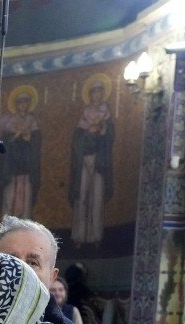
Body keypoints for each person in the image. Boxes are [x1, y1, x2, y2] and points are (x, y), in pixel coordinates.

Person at [69, 78, 114, 246]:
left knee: (97, 198)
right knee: (82, 196)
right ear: (90, 95)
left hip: (100, 163)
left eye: (100, 92)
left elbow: (110, 137)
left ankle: (96, 236)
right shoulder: (85, 113)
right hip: (84, 162)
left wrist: (102, 130)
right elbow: (77, 140)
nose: (97, 95)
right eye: (94, 92)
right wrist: (89, 133)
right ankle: (79, 236)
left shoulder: (106, 113)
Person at [0, 86, 41, 218]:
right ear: (15, 104)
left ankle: (24, 229)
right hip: (10, 168)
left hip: (26, 167)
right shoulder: (9, 120)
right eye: (20, 102)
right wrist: (14, 137)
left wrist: (28, 138)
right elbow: (1, 146)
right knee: (9, 199)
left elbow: (37, 143)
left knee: (24, 199)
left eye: (25, 102)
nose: (23, 105)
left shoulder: (32, 121)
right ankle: (7, 231)